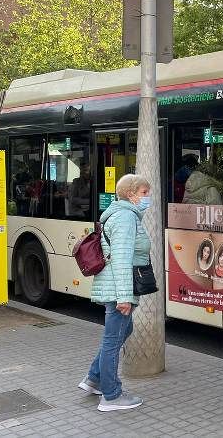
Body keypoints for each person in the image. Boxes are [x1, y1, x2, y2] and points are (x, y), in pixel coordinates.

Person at [79, 174, 151, 411]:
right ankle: (111, 396)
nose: (147, 198)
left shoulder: (121, 214)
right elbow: (121, 259)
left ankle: (94, 378)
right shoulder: (125, 217)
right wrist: (125, 297)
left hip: (113, 284)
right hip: (118, 288)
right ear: (131, 194)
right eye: (144, 193)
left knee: (123, 330)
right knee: (112, 340)